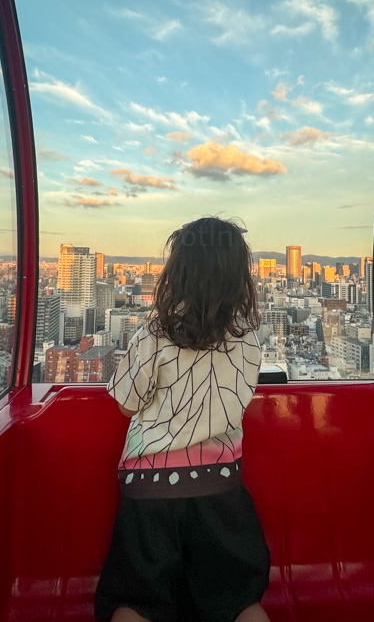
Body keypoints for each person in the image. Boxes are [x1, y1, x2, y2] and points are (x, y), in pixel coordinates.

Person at [95, 217, 271, 622]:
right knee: (239, 602)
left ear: (176, 273)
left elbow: (127, 404)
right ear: (237, 279)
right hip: (221, 486)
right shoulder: (247, 337)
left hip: (150, 489)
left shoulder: (154, 333)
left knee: (136, 602)